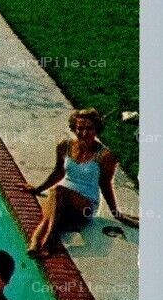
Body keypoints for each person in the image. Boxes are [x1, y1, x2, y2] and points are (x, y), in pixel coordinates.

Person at [25, 108, 138, 258]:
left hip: (86, 203)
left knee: (58, 192)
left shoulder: (105, 155)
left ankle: (48, 242)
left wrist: (116, 213)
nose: (84, 133)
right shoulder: (64, 146)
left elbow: (105, 184)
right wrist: (37, 189)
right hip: (61, 196)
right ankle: (34, 244)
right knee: (52, 206)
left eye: (89, 129)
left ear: (97, 130)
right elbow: (58, 172)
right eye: (80, 128)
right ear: (73, 128)